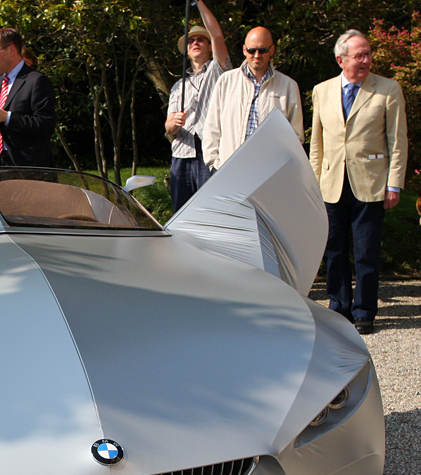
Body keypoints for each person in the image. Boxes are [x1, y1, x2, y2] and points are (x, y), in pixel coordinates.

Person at [310, 29, 407, 336]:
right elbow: (317, 142)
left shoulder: (388, 89)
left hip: (371, 182)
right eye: (359, 55)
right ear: (341, 60)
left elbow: (397, 140)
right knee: (334, 250)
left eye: (368, 54)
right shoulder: (322, 90)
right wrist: (313, 183)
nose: (366, 60)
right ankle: (339, 306)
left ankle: (364, 311)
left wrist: (394, 184)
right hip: (331, 183)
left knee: (366, 251)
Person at [202, 26, 303, 171]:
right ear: (244, 50)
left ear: (272, 50)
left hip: (268, 173)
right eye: (251, 50)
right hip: (229, 170)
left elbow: (295, 137)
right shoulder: (226, 81)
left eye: (262, 50)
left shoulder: (288, 86)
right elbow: (212, 127)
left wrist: (281, 169)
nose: (257, 55)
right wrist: (213, 164)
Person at [164, 1, 230, 211]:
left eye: (201, 39)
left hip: (208, 154)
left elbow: (218, 36)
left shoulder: (218, 71)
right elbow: (167, 128)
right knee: (181, 214)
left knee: (210, 212)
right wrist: (171, 125)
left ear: (209, 46)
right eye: (191, 40)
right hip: (181, 155)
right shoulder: (177, 86)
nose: (195, 42)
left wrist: (198, 2)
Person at [0, 28, 57, 167]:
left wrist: (7, 117)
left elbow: (45, 125)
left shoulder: (36, 81)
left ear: (11, 50)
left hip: (28, 169)